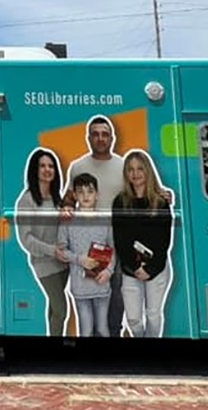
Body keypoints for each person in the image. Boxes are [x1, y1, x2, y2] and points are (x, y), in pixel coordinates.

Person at [60, 116, 126, 337]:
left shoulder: (123, 165)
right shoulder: (78, 166)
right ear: (88, 138)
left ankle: (113, 337)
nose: (100, 138)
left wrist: (162, 194)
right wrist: (66, 207)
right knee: (91, 298)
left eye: (105, 134)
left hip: (115, 242)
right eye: (95, 134)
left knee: (115, 295)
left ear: (112, 138)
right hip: (86, 246)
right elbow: (68, 199)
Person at [112, 150, 174, 338]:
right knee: (133, 319)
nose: (135, 173)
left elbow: (165, 240)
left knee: (153, 315)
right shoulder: (120, 202)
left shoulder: (160, 202)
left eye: (140, 168)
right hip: (131, 268)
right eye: (130, 169)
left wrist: (151, 267)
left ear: (147, 171)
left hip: (158, 267)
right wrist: (134, 266)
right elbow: (120, 239)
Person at [15, 148, 70, 336]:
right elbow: (26, 238)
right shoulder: (27, 200)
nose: (47, 169)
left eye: (51, 166)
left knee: (54, 307)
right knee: (62, 309)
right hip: (44, 263)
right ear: (34, 170)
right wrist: (51, 250)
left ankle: (51, 339)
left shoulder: (57, 198)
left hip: (63, 262)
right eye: (42, 166)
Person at [57, 173, 115, 337]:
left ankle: (105, 363)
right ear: (74, 195)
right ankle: (88, 362)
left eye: (89, 191)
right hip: (80, 288)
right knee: (86, 330)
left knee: (103, 329)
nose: (85, 196)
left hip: (102, 285)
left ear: (97, 194)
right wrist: (79, 259)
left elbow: (113, 250)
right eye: (80, 192)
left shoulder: (105, 220)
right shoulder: (67, 220)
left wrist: (109, 271)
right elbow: (61, 250)